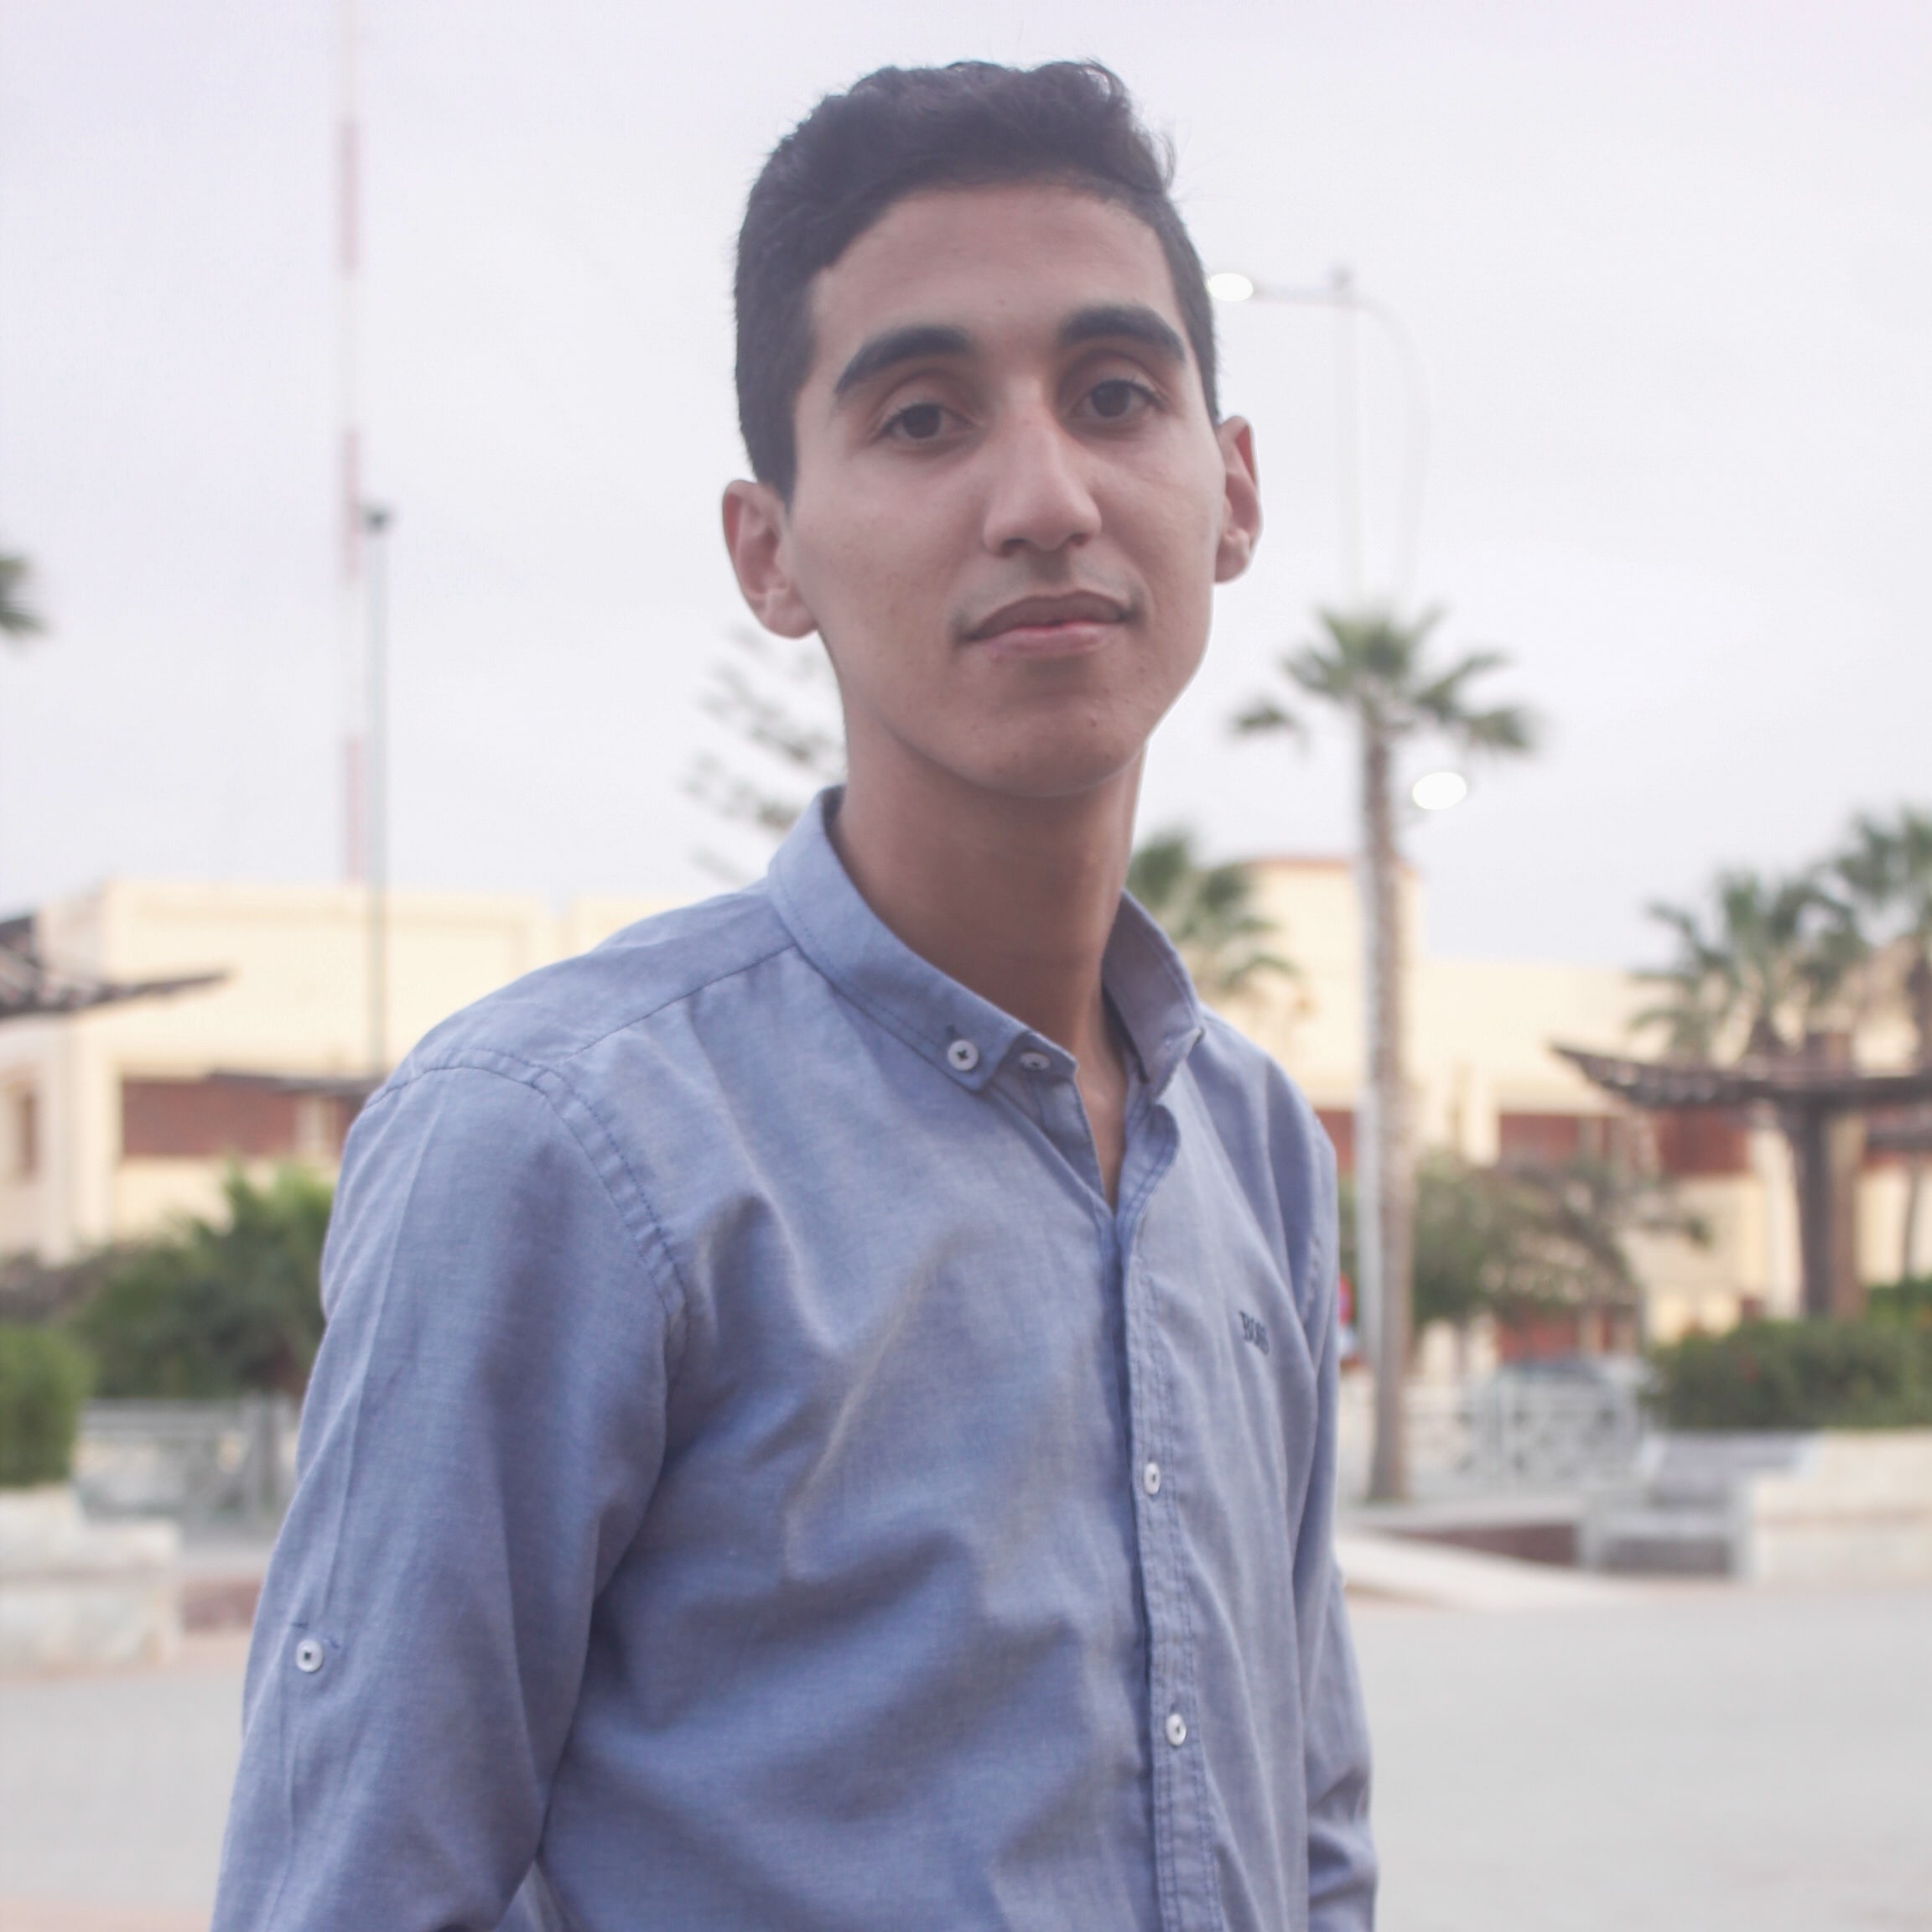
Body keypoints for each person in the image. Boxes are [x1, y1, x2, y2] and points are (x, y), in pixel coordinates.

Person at [211, 59, 1375, 1932]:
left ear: (1228, 493)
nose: (1046, 497)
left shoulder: (1253, 1151)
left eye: (1115, 396)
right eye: (923, 418)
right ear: (772, 555)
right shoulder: (563, 1152)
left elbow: (1306, 1823)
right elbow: (359, 1889)